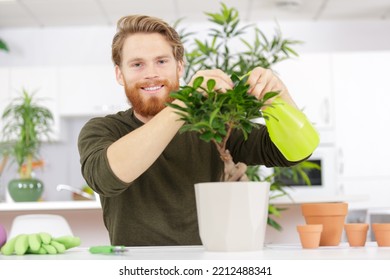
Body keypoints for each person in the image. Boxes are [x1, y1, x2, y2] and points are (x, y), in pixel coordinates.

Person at [78, 14, 308, 246]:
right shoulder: (102, 129)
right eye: (137, 64)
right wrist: (185, 103)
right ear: (120, 74)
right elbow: (106, 178)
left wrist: (279, 97)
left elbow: (291, 153)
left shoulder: (215, 123)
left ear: (179, 67)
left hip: (207, 265)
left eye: (161, 61)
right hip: (134, 269)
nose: (151, 74)